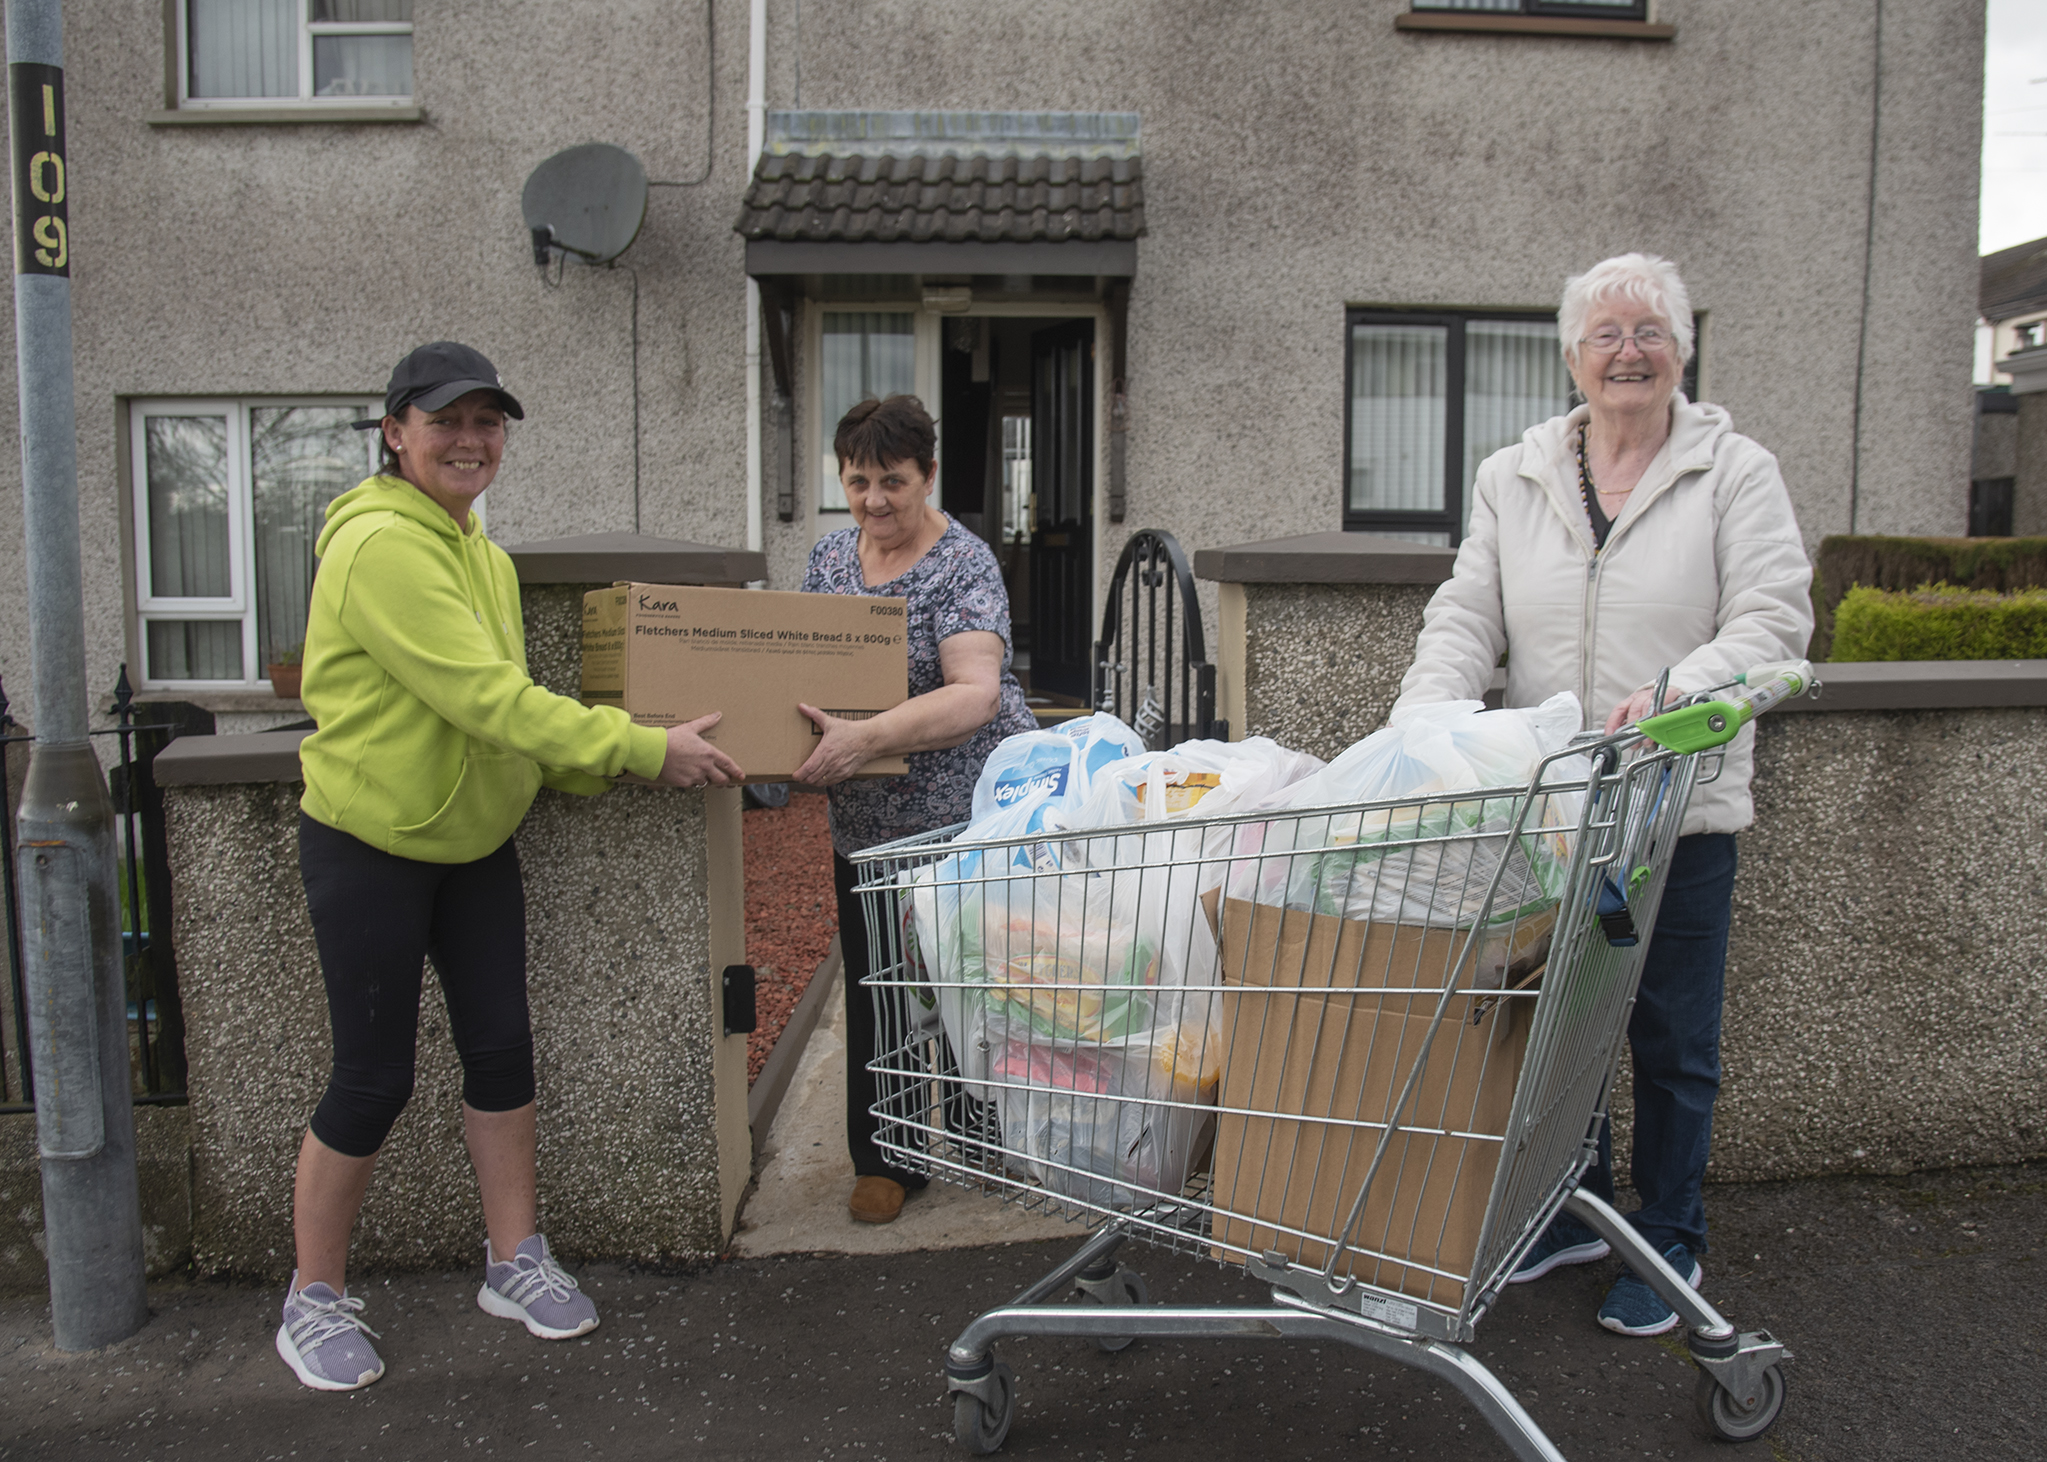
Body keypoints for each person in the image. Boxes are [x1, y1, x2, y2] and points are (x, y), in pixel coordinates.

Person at [279, 341, 743, 1391]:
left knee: (501, 1051)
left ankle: (513, 1260)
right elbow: (487, 701)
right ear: (394, 431)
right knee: (371, 1078)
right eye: (446, 421)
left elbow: (506, 710)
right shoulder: (381, 549)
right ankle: (310, 1295)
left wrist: (592, 771)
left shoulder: (477, 550)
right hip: (371, 846)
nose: (470, 440)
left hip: (474, 843)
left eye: (488, 423)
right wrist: (640, 747)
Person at [1391, 254, 1813, 1337]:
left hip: (1677, 801)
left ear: (1682, 348)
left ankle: (1666, 1238)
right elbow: (1464, 614)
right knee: (1555, 1023)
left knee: (1668, 1037)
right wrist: (1425, 723)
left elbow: (1770, 622)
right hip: (1559, 805)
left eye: (1649, 331)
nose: (1628, 352)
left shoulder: (1734, 472)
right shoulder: (1515, 473)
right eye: (1605, 334)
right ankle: (1571, 1214)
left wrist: (1669, 694)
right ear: (1571, 356)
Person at [795, 394, 1038, 1226]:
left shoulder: (962, 564)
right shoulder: (829, 561)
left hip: (957, 817)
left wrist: (863, 738)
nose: (873, 501)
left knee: (967, 975)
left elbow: (973, 694)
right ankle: (888, 1156)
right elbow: (793, 675)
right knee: (878, 986)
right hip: (863, 825)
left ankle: (978, 1131)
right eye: (857, 481)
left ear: (927, 475)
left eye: (892, 482)